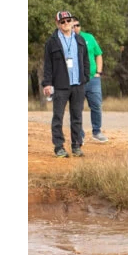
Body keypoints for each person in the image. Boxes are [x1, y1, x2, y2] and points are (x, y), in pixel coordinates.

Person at [42, 11, 91, 158]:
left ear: (72, 22)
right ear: (57, 24)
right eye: (62, 22)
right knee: (58, 116)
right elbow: (48, 65)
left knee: (77, 116)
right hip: (60, 85)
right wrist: (47, 83)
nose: (65, 24)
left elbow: (86, 60)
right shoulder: (52, 42)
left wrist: (85, 77)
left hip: (77, 84)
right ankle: (59, 147)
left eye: (68, 21)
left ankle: (76, 145)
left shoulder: (80, 40)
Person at [72, 17, 108, 143]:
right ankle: (79, 134)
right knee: (77, 107)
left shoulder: (89, 38)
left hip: (93, 78)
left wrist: (98, 72)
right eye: (73, 25)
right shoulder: (67, 41)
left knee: (96, 105)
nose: (75, 28)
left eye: (77, 25)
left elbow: (98, 54)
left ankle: (97, 131)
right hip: (77, 80)